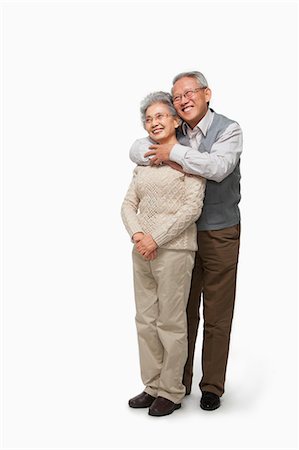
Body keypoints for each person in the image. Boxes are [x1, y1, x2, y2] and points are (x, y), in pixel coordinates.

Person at [130, 71, 242, 411]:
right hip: (180, 236)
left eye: (189, 92)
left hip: (220, 230)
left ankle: (212, 386)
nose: (183, 99)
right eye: (177, 96)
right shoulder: (175, 129)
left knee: (217, 313)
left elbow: (218, 167)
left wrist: (173, 154)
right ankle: (175, 384)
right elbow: (137, 148)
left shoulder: (229, 129)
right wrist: (165, 150)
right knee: (180, 313)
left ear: (207, 94)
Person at [121, 91, 206, 417]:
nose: (154, 122)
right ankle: (152, 385)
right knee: (145, 320)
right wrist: (138, 234)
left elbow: (191, 208)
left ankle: (171, 390)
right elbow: (128, 204)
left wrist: (155, 237)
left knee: (170, 322)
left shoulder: (189, 159)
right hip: (142, 250)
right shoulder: (145, 161)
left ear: (174, 120)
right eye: (148, 118)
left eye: (160, 116)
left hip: (175, 250)